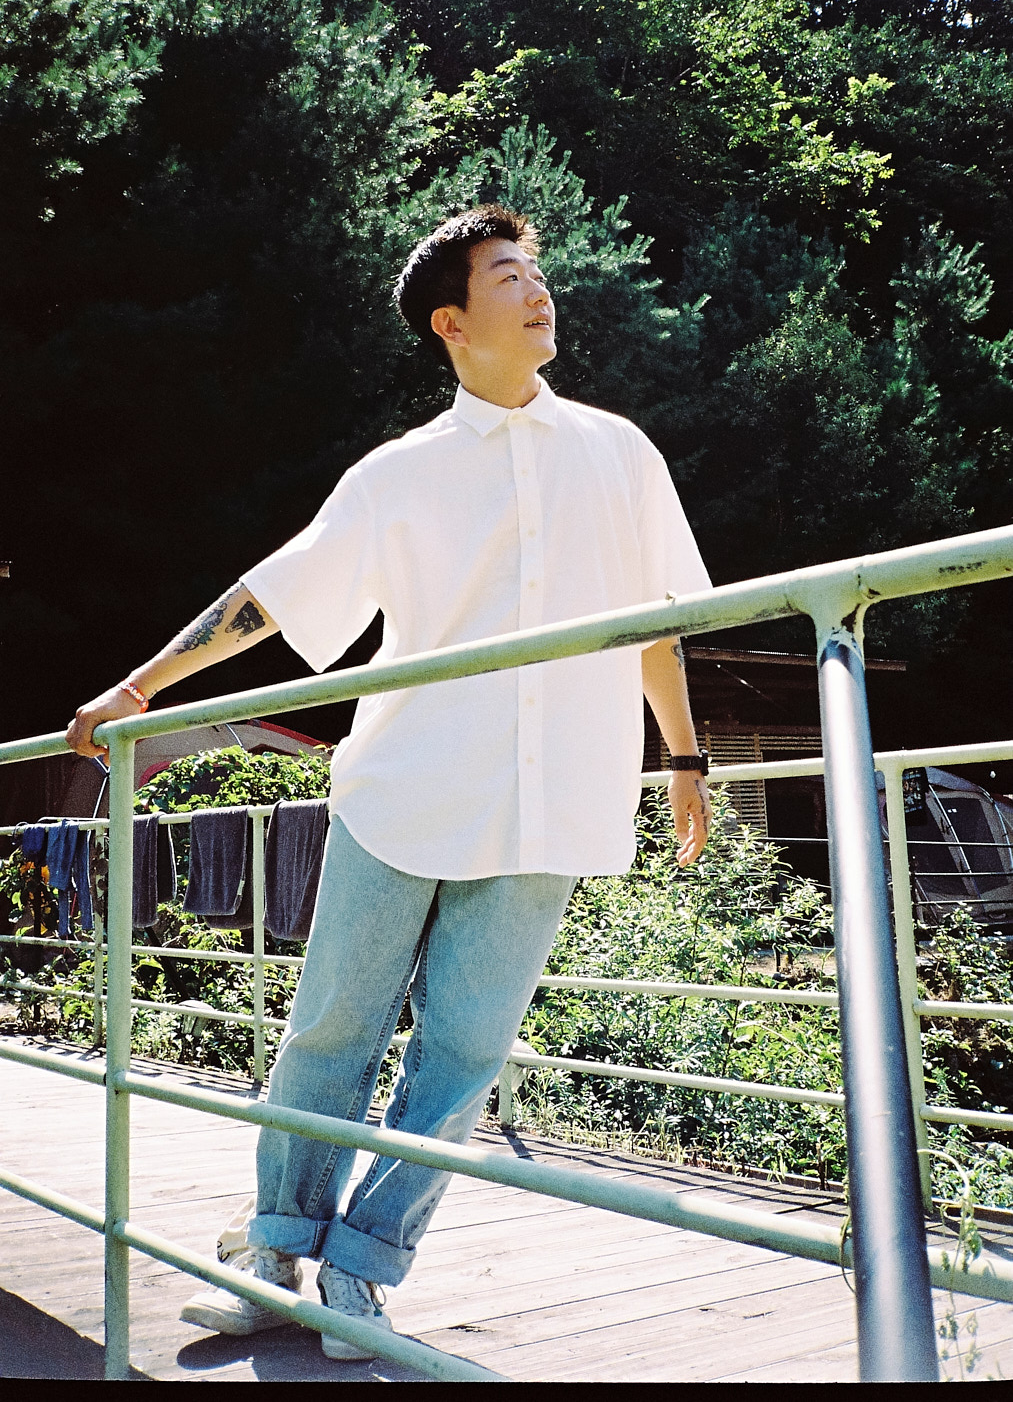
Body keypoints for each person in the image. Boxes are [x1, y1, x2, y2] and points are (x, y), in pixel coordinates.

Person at [66, 204, 713, 1360]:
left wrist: (683, 756)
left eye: (538, 271)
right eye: (508, 274)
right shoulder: (397, 473)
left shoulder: (620, 450)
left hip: (549, 801)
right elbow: (277, 594)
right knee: (331, 1032)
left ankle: (363, 1272)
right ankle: (275, 1255)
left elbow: (660, 621)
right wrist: (139, 686)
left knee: (464, 1055)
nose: (538, 289)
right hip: (405, 787)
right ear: (454, 322)